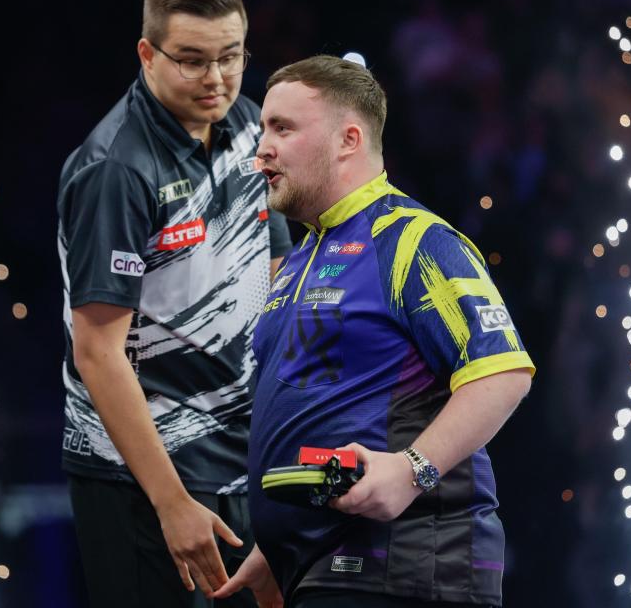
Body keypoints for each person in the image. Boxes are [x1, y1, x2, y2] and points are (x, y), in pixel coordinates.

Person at [214, 55, 535, 607]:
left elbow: (503, 374)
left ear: (348, 140)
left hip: (407, 566)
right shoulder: (297, 260)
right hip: (325, 568)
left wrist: (412, 471)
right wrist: (276, 541)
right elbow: (323, 403)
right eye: (263, 128)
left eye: (283, 128)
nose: (261, 147)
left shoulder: (415, 240)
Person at [55, 0, 292, 606]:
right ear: (147, 54)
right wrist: (171, 502)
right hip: (143, 480)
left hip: (242, 460)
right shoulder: (117, 169)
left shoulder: (248, 124)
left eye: (231, 56)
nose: (216, 78)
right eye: (191, 59)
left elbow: (277, 268)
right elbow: (97, 353)